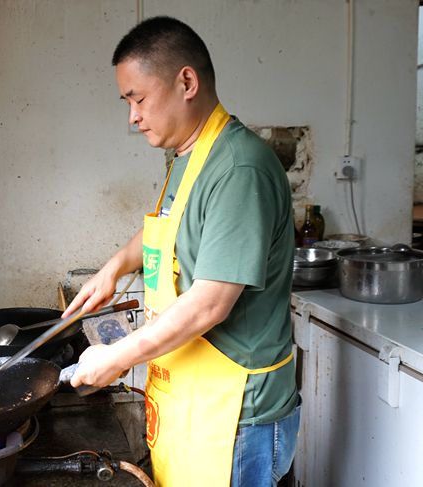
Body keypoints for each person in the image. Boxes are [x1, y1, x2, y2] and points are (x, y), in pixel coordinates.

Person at [63, 16, 300, 487]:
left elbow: (210, 302)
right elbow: (168, 231)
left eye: (138, 98)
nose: (131, 115)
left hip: (236, 414)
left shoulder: (239, 168)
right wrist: (114, 268)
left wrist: (117, 357)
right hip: (191, 395)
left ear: (186, 81)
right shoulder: (186, 156)